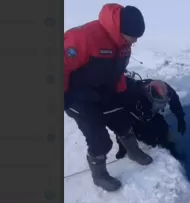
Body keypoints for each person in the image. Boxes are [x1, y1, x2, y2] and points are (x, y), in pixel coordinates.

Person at [64, 4, 153, 192]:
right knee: (100, 140)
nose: (135, 41)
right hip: (76, 95)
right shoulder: (84, 37)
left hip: (103, 91)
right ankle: (99, 175)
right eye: (134, 36)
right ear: (121, 30)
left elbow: (118, 71)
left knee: (122, 122)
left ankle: (133, 151)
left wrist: (121, 93)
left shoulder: (124, 45)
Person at [115, 74, 187, 160]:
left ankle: (169, 146)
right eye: (158, 104)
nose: (161, 106)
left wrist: (180, 118)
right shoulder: (133, 98)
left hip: (150, 114)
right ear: (150, 96)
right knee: (151, 140)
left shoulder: (165, 89)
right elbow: (119, 121)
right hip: (136, 118)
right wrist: (123, 146)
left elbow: (174, 100)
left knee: (163, 128)